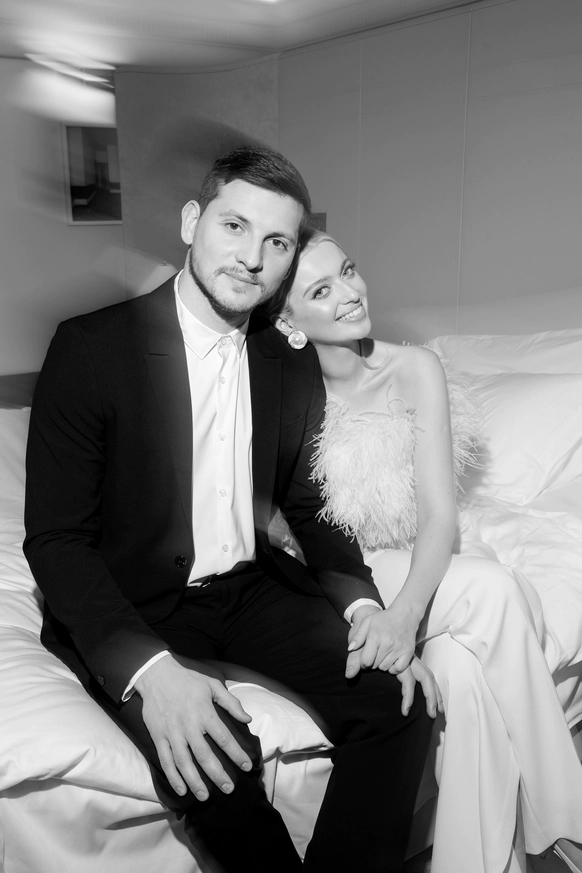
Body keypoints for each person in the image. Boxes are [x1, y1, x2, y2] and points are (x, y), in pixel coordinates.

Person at [23, 146, 436, 873]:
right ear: (193, 222)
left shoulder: (288, 356)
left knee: (397, 703)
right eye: (234, 226)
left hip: (250, 590)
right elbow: (57, 540)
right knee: (217, 752)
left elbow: (308, 504)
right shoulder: (91, 347)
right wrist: (150, 671)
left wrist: (365, 607)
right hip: (133, 602)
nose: (252, 258)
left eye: (277, 242)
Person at [266, 227, 582, 873]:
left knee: (461, 672)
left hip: (426, 557)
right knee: (493, 588)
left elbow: (440, 516)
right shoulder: (282, 393)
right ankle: (568, 822)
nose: (350, 292)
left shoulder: (415, 367)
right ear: (289, 323)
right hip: (343, 578)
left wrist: (405, 616)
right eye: (321, 291)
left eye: (348, 270)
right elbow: (279, 523)